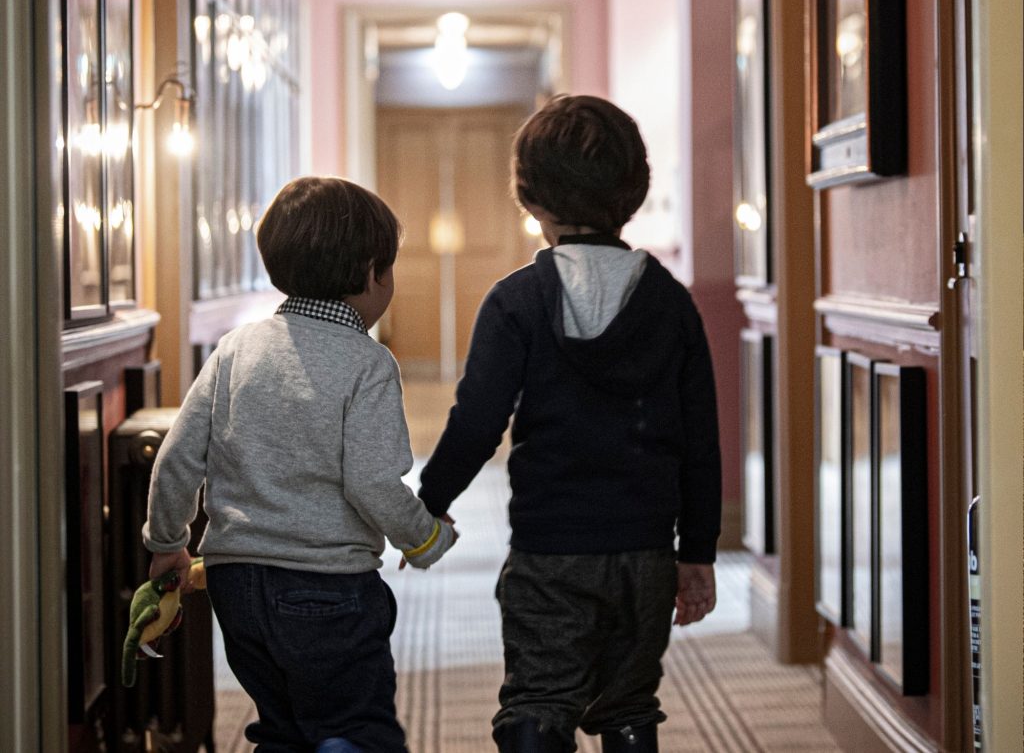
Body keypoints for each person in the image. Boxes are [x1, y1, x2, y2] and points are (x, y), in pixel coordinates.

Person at [417, 95, 721, 753]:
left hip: (550, 550)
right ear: (634, 188)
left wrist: (428, 505)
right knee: (629, 703)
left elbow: (476, 425)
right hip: (645, 552)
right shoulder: (671, 302)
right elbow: (701, 440)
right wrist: (696, 552)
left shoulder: (515, 300)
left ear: (529, 195)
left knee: (539, 698)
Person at [142, 176, 456, 753]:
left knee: (281, 727)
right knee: (354, 729)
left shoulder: (236, 348)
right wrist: (425, 537)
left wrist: (167, 540)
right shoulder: (368, 363)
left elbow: (178, 456)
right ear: (370, 274)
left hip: (235, 585)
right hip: (327, 588)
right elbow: (372, 480)